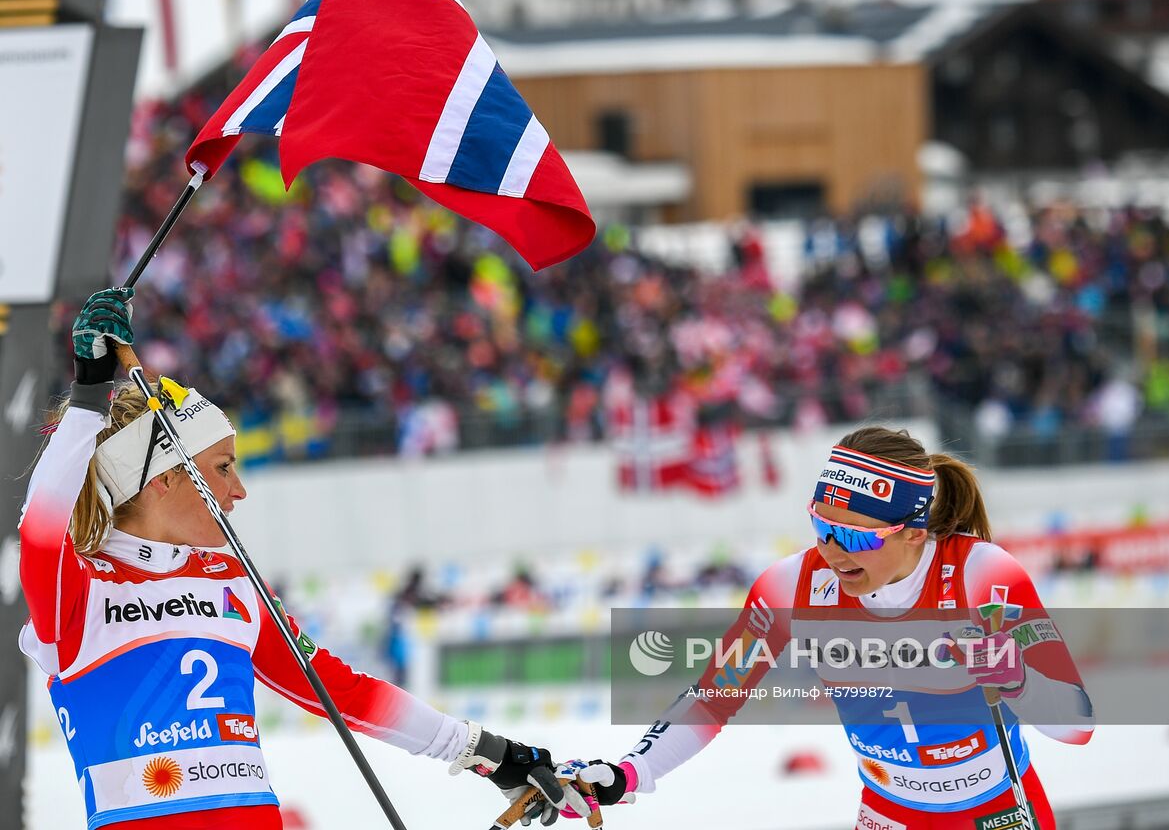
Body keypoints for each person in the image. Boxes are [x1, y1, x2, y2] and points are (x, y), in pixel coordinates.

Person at [19, 288, 587, 830]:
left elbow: (341, 690)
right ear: (165, 479)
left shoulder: (233, 583)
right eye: (222, 468)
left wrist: (490, 753)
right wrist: (90, 394)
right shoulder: (84, 587)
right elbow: (42, 530)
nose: (238, 491)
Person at [561, 427, 1094, 828]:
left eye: (857, 537)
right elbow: (714, 697)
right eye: (822, 527)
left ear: (912, 532)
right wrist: (631, 773)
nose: (833, 553)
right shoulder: (789, 586)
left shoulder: (983, 575)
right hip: (889, 815)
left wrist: (1017, 680)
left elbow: (1078, 725)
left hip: (997, 813)